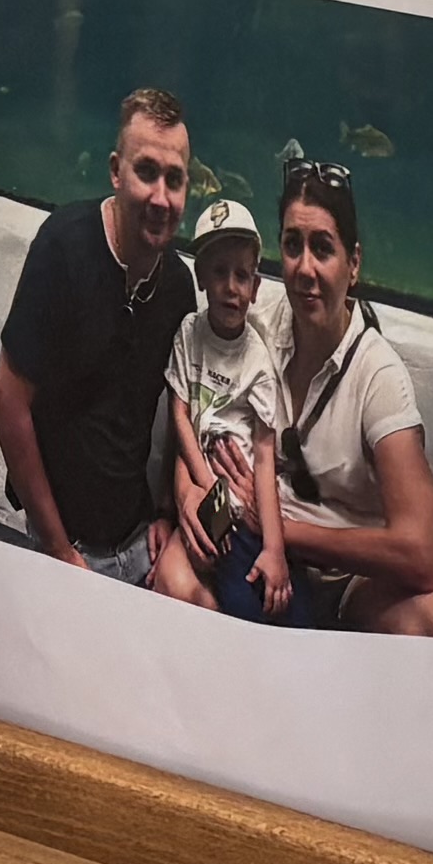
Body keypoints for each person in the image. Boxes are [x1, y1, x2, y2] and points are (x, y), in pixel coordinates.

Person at [262, 161, 433, 640]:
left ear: (353, 263)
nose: (305, 268)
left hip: (344, 579)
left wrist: (285, 531)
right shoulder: (258, 323)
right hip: (256, 553)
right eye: (293, 245)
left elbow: (424, 554)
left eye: (323, 248)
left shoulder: (378, 375)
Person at [0, 86, 198, 583]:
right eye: (146, 172)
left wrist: (165, 512)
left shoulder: (179, 287)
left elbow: (180, 409)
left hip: (139, 542)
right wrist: (57, 548)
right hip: (61, 546)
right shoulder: (64, 247)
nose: (161, 197)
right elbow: (7, 403)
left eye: (175, 179)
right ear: (116, 171)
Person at [147, 193, 294, 621]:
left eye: (242, 275)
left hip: (241, 512)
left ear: (255, 287)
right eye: (219, 272)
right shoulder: (189, 334)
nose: (231, 287)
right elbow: (180, 414)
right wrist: (205, 483)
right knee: (170, 586)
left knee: (250, 609)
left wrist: (275, 547)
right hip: (204, 495)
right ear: (201, 277)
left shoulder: (257, 362)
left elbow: (264, 455)